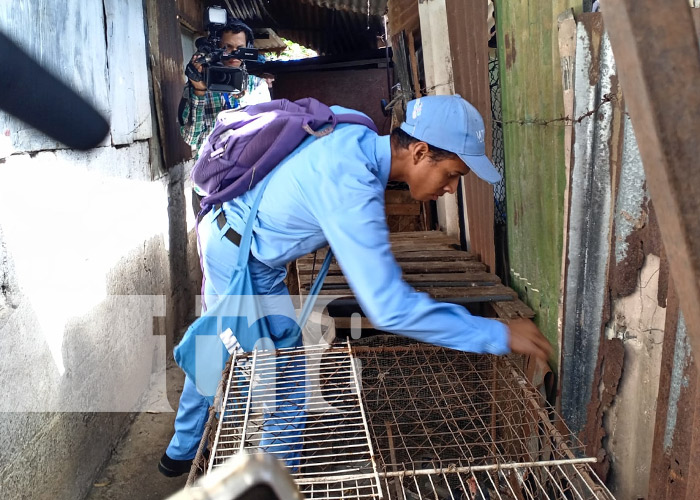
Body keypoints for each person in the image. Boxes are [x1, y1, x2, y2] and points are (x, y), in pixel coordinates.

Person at [158, 94, 552, 477]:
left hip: (235, 238)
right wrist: (496, 333)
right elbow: (388, 308)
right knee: (282, 390)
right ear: (418, 152)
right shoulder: (352, 180)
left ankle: (180, 451)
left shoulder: (357, 129)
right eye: (452, 174)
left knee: (217, 336)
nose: (451, 189)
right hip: (241, 256)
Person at [179, 18, 272, 217]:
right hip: (207, 185)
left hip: (246, 184)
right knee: (209, 246)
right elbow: (191, 139)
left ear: (248, 49)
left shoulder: (257, 87)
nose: (233, 54)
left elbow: (264, 138)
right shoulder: (197, 85)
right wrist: (199, 93)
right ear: (216, 49)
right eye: (227, 47)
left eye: (239, 48)